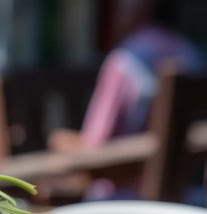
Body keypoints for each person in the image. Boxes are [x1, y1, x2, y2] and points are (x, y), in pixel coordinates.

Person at [48, 0, 204, 199]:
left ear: (137, 11)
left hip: (126, 198)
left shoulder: (125, 61)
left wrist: (60, 143)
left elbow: (96, 145)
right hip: (190, 194)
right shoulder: (189, 52)